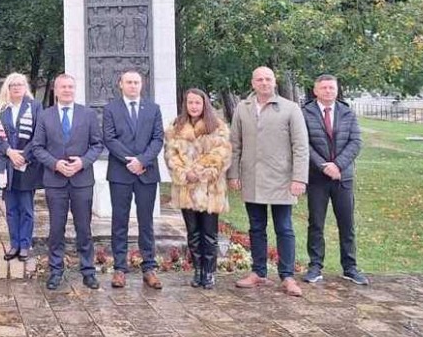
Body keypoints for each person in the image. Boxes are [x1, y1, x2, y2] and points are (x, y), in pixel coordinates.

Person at [228, 66, 309, 297]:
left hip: (282, 179)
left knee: (284, 228)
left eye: (268, 79)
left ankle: (287, 276)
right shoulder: (242, 109)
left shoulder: (290, 108)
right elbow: (235, 144)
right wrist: (233, 174)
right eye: (260, 79)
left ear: (274, 82)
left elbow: (301, 147)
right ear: (253, 83)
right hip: (252, 178)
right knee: (256, 227)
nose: (264, 83)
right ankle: (258, 272)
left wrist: (299, 178)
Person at [30, 74, 104, 290]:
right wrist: (55, 164)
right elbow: (37, 147)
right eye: (63, 87)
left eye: (71, 87)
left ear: (75, 89)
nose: (67, 90)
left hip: (81, 180)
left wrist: (82, 162)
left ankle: (88, 271)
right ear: (55, 89)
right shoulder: (45, 116)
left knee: (84, 228)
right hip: (55, 181)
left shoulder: (88, 114)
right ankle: (55, 270)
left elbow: (97, 145)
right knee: (56, 228)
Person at [301, 74, 367, 285]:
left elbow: (355, 142)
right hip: (317, 178)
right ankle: (315, 266)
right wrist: (323, 166)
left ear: (337, 90)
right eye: (324, 88)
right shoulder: (305, 113)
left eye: (331, 88)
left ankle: (350, 267)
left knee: (347, 223)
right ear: (316, 90)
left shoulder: (347, 112)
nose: (328, 91)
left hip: (343, 177)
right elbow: (304, 144)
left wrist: (338, 165)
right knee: (316, 223)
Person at [103, 70, 165, 289]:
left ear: (142, 84)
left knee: (146, 222)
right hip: (120, 173)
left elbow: (158, 138)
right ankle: (120, 268)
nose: (133, 86)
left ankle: (149, 268)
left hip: (146, 173)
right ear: (120, 84)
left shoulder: (153, 109)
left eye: (136, 82)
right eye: (128, 82)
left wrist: (142, 161)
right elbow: (109, 138)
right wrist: (129, 160)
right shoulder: (111, 109)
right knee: (119, 222)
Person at [164, 89, 232, 289]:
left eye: (197, 103)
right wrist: (185, 173)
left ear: (204, 105)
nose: (193, 106)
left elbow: (221, 155)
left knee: (209, 233)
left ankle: (210, 272)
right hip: (186, 188)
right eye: (190, 103)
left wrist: (200, 172)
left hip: (209, 189)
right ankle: (198, 270)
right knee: (193, 233)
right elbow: (171, 154)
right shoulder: (176, 127)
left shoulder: (217, 126)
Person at [0, 73, 43, 261]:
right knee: (11, 208)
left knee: (26, 208)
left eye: (20, 84)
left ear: (25, 86)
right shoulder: (0, 109)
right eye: (13, 85)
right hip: (7, 164)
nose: (17, 88)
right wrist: (9, 152)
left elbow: (39, 135)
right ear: (8, 87)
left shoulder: (35, 106)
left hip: (27, 165)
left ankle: (25, 245)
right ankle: (14, 244)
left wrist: (23, 156)